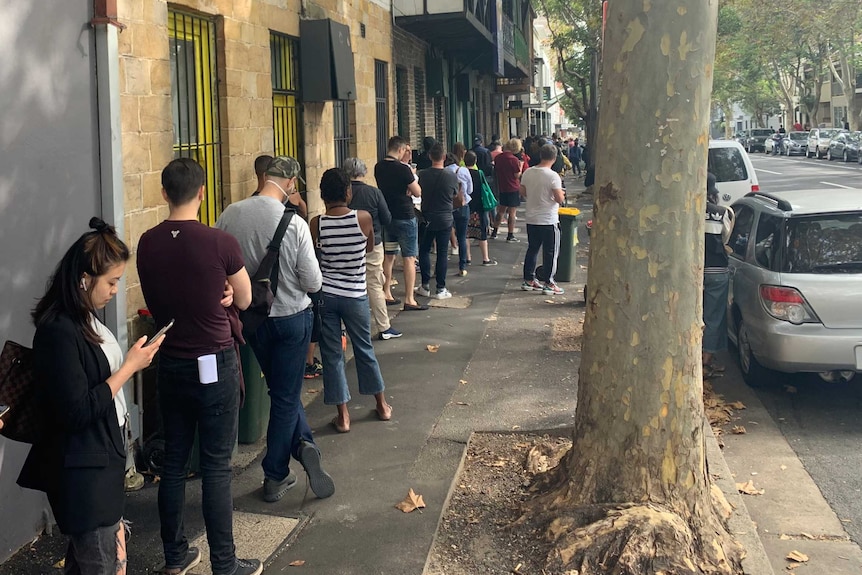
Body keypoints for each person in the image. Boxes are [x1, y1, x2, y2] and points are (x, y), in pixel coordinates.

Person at [137, 158, 263, 575]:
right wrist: (224, 292)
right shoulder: (220, 242)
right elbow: (244, 300)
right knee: (215, 467)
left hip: (170, 360)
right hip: (215, 359)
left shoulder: (147, 243)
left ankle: (175, 558)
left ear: (163, 192)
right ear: (203, 192)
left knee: (173, 462)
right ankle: (224, 564)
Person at [17, 218, 163, 575]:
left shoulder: (85, 319)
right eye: (112, 282)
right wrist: (129, 368)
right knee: (103, 563)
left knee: (90, 563)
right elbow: (76, 410)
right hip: (83, 475)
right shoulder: (59, 330)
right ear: (85, 278)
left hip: (99, 465)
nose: (115, 290)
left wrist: (132, 362)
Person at [215, 155, 335, 503]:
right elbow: (312, 281)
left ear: (264, 177)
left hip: (251, 320)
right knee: (285, 397)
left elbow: (221, 265)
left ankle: (303, 442)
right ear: (291, 184)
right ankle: (275, 474)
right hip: (292, 318)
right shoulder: (293, 222)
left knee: (281, 392)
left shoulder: (229, 214)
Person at [310, 168, 392, 434]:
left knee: (333, 355)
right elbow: (367, 248)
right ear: (348, 192)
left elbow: (316, 257)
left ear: (323, 195)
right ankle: (381, 405)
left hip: (328, 294)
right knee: (364, 348)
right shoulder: (364, 218)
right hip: (356, 294)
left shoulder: (316, 223)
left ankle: (343, 416)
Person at [344, 157, 401, 340]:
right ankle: (384, 327)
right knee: (375, 284)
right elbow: (386, 218)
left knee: (348, 284)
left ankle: (344, 328)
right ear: (364, 172)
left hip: (348, 243)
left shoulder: (343, 193)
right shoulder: (374, 193)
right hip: (372, 242)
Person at [375, 136, 427, 311]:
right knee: (409, 257)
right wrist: (410, 180)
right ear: (401, 149)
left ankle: (386, 292)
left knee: (388, 256)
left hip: (388, 216)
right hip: (405, 215)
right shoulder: (403, 170)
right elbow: (418, 192)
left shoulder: (379, 167)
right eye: (406, 150)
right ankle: (409, 298)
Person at [520, 144, 566, 295]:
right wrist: (561, 195)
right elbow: (559, 199)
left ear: (540, 155)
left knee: (532, 249)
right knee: (550, 252)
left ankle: (528, 280)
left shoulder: (527, 172)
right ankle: (549, 282)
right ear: (554, 158)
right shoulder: (553, 176)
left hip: (531, 218)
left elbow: (523, 192)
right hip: (548, 219)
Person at [417, 143, 459, 299]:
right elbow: (455, 194)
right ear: (444, 157)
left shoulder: (423, 175)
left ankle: (425, 285)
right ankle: (441, 288)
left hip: (427, 217)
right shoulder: (451, 176)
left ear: (429, 157)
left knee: (424, 250)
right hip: (445, 217)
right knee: (442, 253)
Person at [703, 172, 733, 378]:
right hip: (716, 271)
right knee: (713, 317)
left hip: (690, 272)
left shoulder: (682, 210)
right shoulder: (721, 213)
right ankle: (706, 362)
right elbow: (727, 241)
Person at [465, 151, 497, 266]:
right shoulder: (479, 173)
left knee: (466, 233)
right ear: (475, 161)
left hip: (466, 207)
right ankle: (485, 258)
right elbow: (485, 187)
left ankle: (467, 258)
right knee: (482, 233)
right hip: (479, 207)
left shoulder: (461, 173)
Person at [445, 150, 473, 276]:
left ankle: (441, 267)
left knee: (444, 237)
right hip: (462, 205)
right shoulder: (463, 170)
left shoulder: (444, 172)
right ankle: (462, 266)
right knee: (462, 237)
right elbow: (470, 189)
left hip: (447, 207)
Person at [492, 138, 524, 242]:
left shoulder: (498, 158)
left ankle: (494, 231)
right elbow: (516, 175)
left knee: (500, 211)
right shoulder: (514, 160)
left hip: (502, 187)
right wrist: (521, 168)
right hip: (513, 187)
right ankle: (510, 235)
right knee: (512, 213)